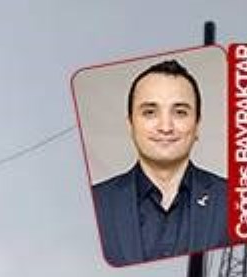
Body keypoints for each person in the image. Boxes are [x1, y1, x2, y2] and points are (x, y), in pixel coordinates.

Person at [91, 58, 229, 266]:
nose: (165, 126)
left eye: (180, 112)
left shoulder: (233, 201)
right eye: (150, 112)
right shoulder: (96, 203)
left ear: (197, 125)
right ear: (131, 124)